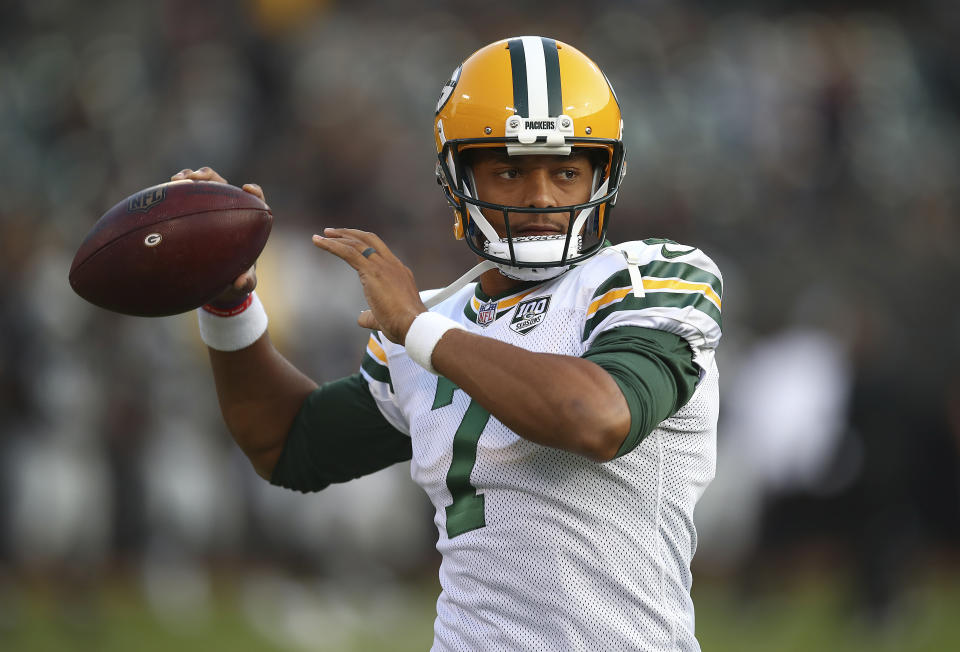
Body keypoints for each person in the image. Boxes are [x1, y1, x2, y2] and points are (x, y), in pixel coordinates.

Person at [173, 36, 722, 651]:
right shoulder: (436, 321)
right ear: (458, 178)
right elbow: (288, 444)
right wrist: (230, 304)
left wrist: (418, 329)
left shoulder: (652, 277)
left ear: (603, 175)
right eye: (511, 170)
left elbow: (596, 418)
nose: (541, 196)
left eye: (566, 171)